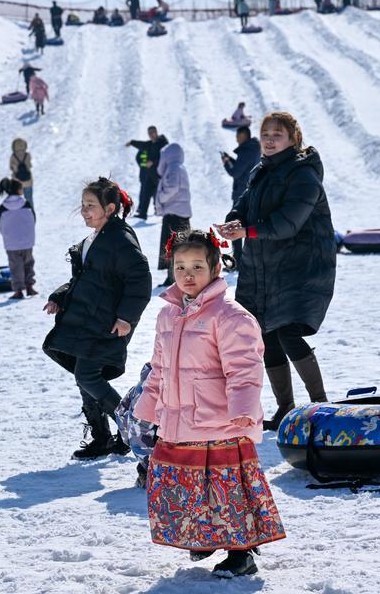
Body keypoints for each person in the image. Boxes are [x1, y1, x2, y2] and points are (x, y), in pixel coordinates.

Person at [134, 229, 285, 578]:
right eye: (180, 266)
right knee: (185, 484)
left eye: (197, 267)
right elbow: (159, 367)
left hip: (218, 421)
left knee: (225, 489)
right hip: (178, 421)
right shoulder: (167, 315)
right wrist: (149, 404)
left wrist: (244, 410)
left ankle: (240, 552)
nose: (188, 275)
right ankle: (203, 536)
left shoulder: (230, 316)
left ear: (216, 268)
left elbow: (245, 369)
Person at [215, 111, 336, 429]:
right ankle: (285, 408)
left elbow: (288, 222)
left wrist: (248, 232)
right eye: (265, 134)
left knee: (288, 331)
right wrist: (234, 220)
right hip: (265, 268)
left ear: (293, 139)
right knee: (266, 333)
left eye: (277, 135)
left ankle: (320, 405)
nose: (269, 140)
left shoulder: (303, 175)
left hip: (301, 268)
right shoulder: (261, 171)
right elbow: (244, 203)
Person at [43, 177, 151, 459]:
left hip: (108, 323)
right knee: (85, 376)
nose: (84, 211)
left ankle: (130, 427)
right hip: (88, 320)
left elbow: (140, 280)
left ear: (110, 207)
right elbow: (83, 281)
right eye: (83, 205)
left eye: (91, 205)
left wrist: (126, 318)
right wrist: (59, 296)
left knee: (87, 375)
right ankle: (102, 438)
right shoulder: (94, 239)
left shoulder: (120, 238)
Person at [221, 125, 261, 263]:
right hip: (252, 191)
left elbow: (235, 172)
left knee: (234, 224)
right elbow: (242, 167)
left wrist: (226, 163)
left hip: (242, 193)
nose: (236, 139)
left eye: (237, 136)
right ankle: (245, 258)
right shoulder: (255, 148)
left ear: (243, 136)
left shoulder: (246, 151)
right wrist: (231, 160)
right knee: (248, 225)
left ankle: (237, 259)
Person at [154, 143, 192, 286]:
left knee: (173, 247)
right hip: (180, 213)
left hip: (174, 214)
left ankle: (173, 278)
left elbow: (172, 187)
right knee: (179, 247)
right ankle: (174, 277)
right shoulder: (179, 167)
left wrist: (160, 198)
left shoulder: (173, 167)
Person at [0, 177, 38, 300]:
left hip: (11, 242)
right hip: (27, 240)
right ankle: (30, 287)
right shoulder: (26, 203)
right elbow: (33, 219)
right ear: (19, 190)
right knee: (28, 263)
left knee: (15, 266)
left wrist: (7, 234)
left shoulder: (3, 206)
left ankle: (19, 290)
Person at [126, 126, 169, 220]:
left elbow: (165, 157)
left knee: (161, 194)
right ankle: (143, 213)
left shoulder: (163, 143)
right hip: (150, 174)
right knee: (145, 193)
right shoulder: (150, 144)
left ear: (156, 132)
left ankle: (164, 212)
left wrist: (153, 162)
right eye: (150, 133)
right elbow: (141, 145)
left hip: (160, 174)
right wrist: (132, 142)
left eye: (153, 132)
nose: (152, 134)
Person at [9, 138, 34, 204]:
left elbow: (11, 167)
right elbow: (30, 165)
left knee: (17, 201)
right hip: (28, 181)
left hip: (17, 183)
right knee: (29, 200)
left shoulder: (13, 156)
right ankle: (30, 213)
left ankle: (19, 213)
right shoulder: (27, 155)